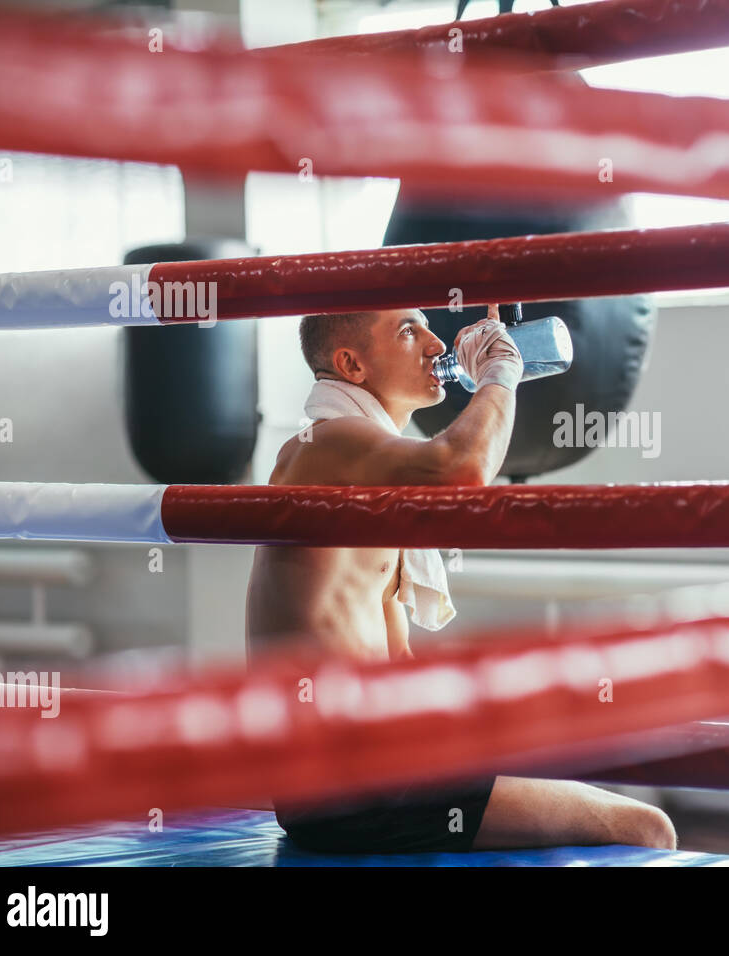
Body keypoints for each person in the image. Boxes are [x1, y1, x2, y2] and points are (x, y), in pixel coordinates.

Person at [245, 305, 677, 854]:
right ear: (352, 365)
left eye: (428, 326)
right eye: (408, 330)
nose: (434, 343)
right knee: (648, 830)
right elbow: (461, 470)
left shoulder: (364, 472)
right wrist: (500, 370)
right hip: (355, 780)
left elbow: (393, 664)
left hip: (363, 769)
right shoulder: (328, 444)